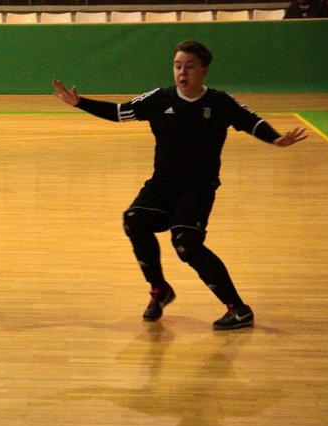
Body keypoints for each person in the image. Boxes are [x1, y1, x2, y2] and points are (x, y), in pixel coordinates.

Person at [52, 40, 307, 330]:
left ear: (203, 71)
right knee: (134, 220)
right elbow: (120, 112)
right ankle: (159, 289)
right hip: (162, 184)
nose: (182, 72)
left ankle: (239, 309)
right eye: (177, 66)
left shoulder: (220, 102)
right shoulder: (159, 99)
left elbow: (250, 121)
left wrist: (275, 138)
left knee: (187, 245)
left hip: (198, 187)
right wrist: (80, 103)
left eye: (189, 66)